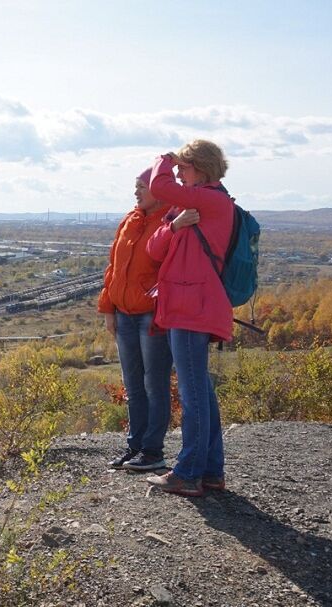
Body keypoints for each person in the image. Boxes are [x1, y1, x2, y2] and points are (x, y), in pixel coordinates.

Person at [143, 140, 234, 497]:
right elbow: (154, 249)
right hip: (183, 306)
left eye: (184, 167)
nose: (179, 173)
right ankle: (210, 471)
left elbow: (158, 187)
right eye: (178, 166)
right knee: (201, 392)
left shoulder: (214, 200)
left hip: (193, 308)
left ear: (202, 167)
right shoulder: (190, 206)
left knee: (193, 392)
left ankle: (189, 472)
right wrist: (175, 226)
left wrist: (164, 158)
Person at [99, 167, 173, 472]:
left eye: (143, 186)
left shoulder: (171, 221)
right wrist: (107, 307)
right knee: (133, 383)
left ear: (160, 187)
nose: (136, 192)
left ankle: (153, 452)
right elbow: (113, 267)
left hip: (152, 316)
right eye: (136, 187)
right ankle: (135, 446)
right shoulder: (129, 221)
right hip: (124, 315)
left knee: (154, 383)